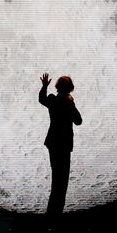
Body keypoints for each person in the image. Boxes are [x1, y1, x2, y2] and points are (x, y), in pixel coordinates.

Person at [38, 72, 82, 215]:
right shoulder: (68, 102)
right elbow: (78, 121)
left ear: (57, 87)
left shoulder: (52, 100)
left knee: (57, 179)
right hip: (63, 144)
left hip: (53, 142)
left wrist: (44, 86)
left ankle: (52, 213)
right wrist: (71, 103)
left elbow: (41, 99)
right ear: (70, 89)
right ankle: (55, 215)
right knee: (61, 182)